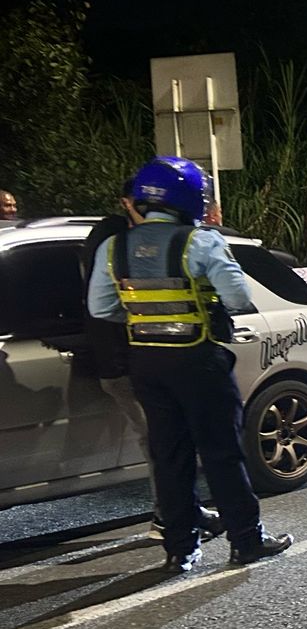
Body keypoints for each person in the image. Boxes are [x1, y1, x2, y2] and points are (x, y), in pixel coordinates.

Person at [87, 157, 292, 573]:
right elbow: (237, 298)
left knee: (169, 456)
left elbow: (101, 307)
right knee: (222, 453)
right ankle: (246, 542)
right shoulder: (200, 242)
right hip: (198, 360)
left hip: (145, 363)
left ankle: (181, 550)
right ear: (189, 199)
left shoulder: (115, 247)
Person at [80, 179, 225, 541]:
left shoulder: (136, 240)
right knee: (165, 446)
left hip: (141, 356)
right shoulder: (115, 239)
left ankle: (184, 517)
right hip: (130, 358)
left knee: (169, 443)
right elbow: (102, 305)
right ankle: (169, 521)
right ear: (127, 202)